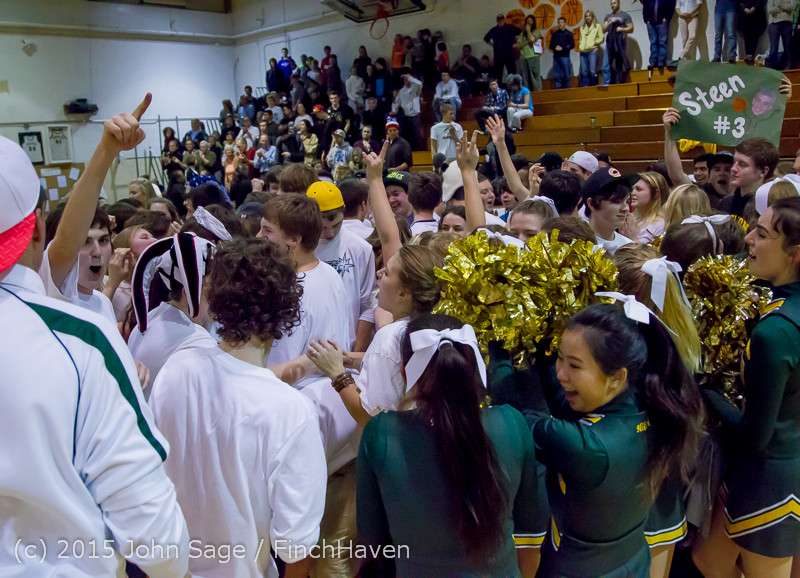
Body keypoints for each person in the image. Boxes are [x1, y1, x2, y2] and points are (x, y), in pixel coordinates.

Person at [0, 97, 191, 577]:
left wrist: (106, 150)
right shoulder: (81, 342)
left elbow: (63, 244)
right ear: (38, 225)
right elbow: (158, 542)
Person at [150, 238, 326, 578]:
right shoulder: (290, 410)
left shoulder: (176, 368)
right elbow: (296, 547)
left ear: (215, 300)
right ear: (287, 308)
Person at [350, 313, 545, 575]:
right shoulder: (512, 423)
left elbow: (373, 545)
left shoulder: (382, 434)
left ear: (404, 372)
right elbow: (530, 539)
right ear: (473, 365)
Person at [524, 301, 703, 576]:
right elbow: (560, 392)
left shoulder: (586, 447)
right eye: (560, 357)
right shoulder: (656, 407)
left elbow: (519, 416)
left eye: (574, 365)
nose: (561, 373)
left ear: (617, 377)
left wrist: (499, 352)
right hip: (632, 564)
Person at [692, 197, 800, 577]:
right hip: (780, 464)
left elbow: (755, 435)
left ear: (795, 254)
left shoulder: (777, 331)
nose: (749, 239)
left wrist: (705, 390)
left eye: (763, 233)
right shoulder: (779, 308)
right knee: (709, 559)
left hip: (771, 477)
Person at [257, 195, 351, 388]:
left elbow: (280, 372)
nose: (258, 237)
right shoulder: (330, 272)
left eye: (267, 230)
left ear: (294, 239)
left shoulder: (291, 289)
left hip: (301, 398)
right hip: (332, 394)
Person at [128, 233, 218, 384]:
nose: (223, 293)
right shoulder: (196, 342)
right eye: (215, 286)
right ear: (188, 292)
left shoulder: (153, 316)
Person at [307, 181, 377, 353]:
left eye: (336, 225)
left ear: (343, 211)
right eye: (322, 228)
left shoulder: (360, 249)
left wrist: (357, 350)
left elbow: (367, 304)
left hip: (346, 348)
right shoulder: (300, 248)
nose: (329, 233)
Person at [720, 137, 780, 217]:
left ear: (763, 171)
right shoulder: (726, 203)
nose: (733, 168)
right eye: (734, 162)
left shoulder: (770, 207)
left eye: (742, 164)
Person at [583, 167, 637, 254]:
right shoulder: (575, 245)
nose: (626, 208)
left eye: (627, 201)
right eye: (616, 201)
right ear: (592, 204)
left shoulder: (628, 247)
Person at [625, 171, 668, 243]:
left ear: (656, 194)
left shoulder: (661, 225)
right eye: (631, 189)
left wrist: (633, 239)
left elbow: (655, 254)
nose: (632, 193)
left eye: (638, 189)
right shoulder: (629, 219)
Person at [604, 0, 634, 84]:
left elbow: (631, 28)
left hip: (620, 42)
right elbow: (603, 30)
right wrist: (609, 23)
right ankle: (611, 82)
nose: (612, 5)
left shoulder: (625, 15)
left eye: (614, 3)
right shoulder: (608, 16)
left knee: (619, 63)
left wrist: (621, 29)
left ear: (618, 3)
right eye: (611, 3)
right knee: (607, 64)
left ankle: (619, 82)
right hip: (610, 42)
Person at [484, 13, 521, 80]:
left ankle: (513, 89)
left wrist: (517, 43)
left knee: (512, 74)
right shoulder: (493, 30)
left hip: (509, 54)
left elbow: (520, 32)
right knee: (498, 75)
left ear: (504, 20)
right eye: (499, 20)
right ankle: (499, 89)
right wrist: (493, 45)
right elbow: (486, 38)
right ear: (497, 21)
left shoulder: (510, 27)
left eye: (501, 19)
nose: (500, 21)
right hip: (498, 56)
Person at [643, 0, 676, 68]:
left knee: (662, 41)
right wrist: (646, 20)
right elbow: (645, 7)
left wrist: (667, 18)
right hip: (651, 22)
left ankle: (661, 61)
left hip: (662, 22)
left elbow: (671, 5)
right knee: (653, 42)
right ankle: (653, 61)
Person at [394, 73, 424, 151]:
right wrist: (395, 108)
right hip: (406, 116)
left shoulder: (415, 89)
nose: (406, 81)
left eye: (408, 80)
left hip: (415, 115)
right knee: (405, 135)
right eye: (405, 80)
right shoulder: (402, 91)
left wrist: (410, 78)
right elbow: (397, 101)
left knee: (416, 135)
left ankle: (419, 152)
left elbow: (419, 84)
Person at [517, 14, 543, 91]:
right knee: (525, 78)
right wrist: (527, 41)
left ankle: (538, 93)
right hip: (524, 57)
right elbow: (518, 45)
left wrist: (528, 30)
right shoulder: (522, 34)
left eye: (530, 21)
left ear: (533, 22)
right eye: (527, 21)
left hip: (533, 56)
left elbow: (532, 39)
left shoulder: (536, 31)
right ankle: (527, 94)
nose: (529, 22)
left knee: (535, 77)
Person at [579, 11, 605, 86]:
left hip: (592, 51)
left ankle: (594, 87)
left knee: (592, 71)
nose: (588, 17)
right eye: (586, 16)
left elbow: (601, 38)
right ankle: (586, 89)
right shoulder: (582, 27)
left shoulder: (597, 26)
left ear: (593, 17)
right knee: (584, 72)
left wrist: (594, 43)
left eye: (589, 16)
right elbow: (581, 39)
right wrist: (580, 46)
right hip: (583, 52)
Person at [551, 17, 576, 89]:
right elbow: (551, 45)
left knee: (567, 75)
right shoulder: (555, 34)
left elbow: (572, 45)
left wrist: (563, 48)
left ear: (565, 23)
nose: (560, 24)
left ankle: (568, 91)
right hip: (556, 57)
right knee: (557, 76)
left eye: (562, 22)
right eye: (559, 22)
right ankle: (558, 91)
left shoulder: (569, 34)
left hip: (565, 56)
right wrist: (555, 47)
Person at [768, 0, 794, 68]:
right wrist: (781, 8)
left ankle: (788, 69)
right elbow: (770, 10)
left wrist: (780, 6)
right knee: (773, 48)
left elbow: (791, 7)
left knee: (788, 47)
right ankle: (772, 69)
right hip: (774, 23)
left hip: (787, 22)